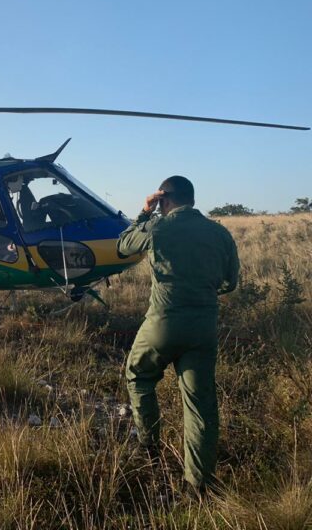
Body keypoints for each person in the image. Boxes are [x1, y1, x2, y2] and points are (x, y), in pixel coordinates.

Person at [117, 175, 239, 495]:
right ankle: (198, 485)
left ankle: (149, 447)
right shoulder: (220, 233)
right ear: (193, 200)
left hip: (163, 324)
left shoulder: (157, 227)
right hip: (203, 328)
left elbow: (123, 245)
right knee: (200, 405)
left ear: (164, 200)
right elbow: (231, 283)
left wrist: (145, 213)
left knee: (138, 375)